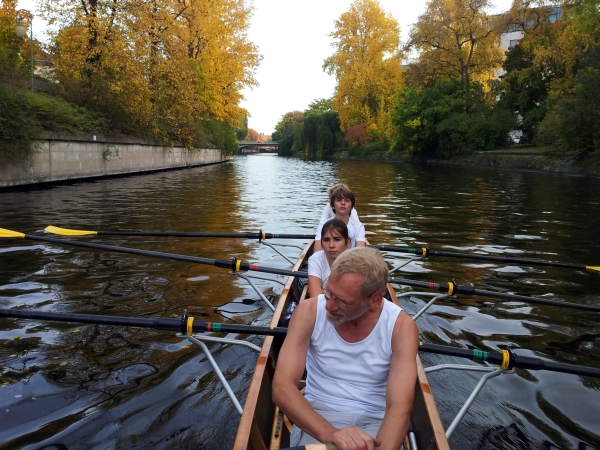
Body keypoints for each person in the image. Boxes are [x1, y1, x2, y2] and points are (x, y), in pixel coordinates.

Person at [272, 247, 419, 450]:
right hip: (319, 415)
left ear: (375, 300)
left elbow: (399, 407)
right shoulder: (308, 312)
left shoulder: (401, 328)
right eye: (328, 292)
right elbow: (281, 387)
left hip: (377, 420)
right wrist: (331, 434)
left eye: (342, 301)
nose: (329, 306)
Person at [314, 183, 365, 252]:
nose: (343, 203)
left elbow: (360, 254)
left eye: (347, 200)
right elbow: (317, 252)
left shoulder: (359, 226)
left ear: (352, 207)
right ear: (332, 205)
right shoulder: (323, 224)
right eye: (339, 200)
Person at [307, 218, 351, 298]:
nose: (331, 245)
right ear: (321, 243)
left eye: (337, 240)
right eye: (326, 240)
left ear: (348, 242)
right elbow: (316, 299)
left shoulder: (357, 263)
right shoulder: (315, 260)